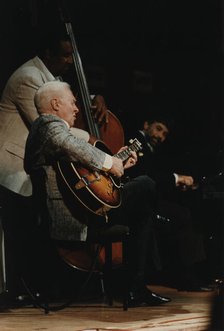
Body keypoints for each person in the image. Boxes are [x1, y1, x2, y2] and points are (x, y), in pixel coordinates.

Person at [23, 80, 171, 307]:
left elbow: (79, 173)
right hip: (77, 218)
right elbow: (68, 144)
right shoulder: (47, 125)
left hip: (83, 209)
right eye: (72, 102)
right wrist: (109, 161)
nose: (77, 108)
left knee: (144, 208)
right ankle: (134, 286)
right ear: (55, 104)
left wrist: (118, 163)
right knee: (146, 185)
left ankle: (135, 287)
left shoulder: (53, 132)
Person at [0, 27, 108, 197]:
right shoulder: (29, 77)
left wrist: (95, 97)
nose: (71, 61)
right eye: (65, 55)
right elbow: (51, 128)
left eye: (71, 55)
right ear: (49, 53)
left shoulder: (53, 77)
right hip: (11, 171)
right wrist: (91, 140)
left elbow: (70, 99)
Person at [126, 115, 212, 292]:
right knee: (184, 216)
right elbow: (145, 175)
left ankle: (190, 274)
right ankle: (187, 276)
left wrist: (176, 183)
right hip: (135, 201)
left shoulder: (151, 147)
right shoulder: (136, 141)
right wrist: (176, 178)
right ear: (146, 124)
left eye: (165, 134)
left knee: (185, 213)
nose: (161, 136)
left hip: (148, 199)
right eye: (158, 129)